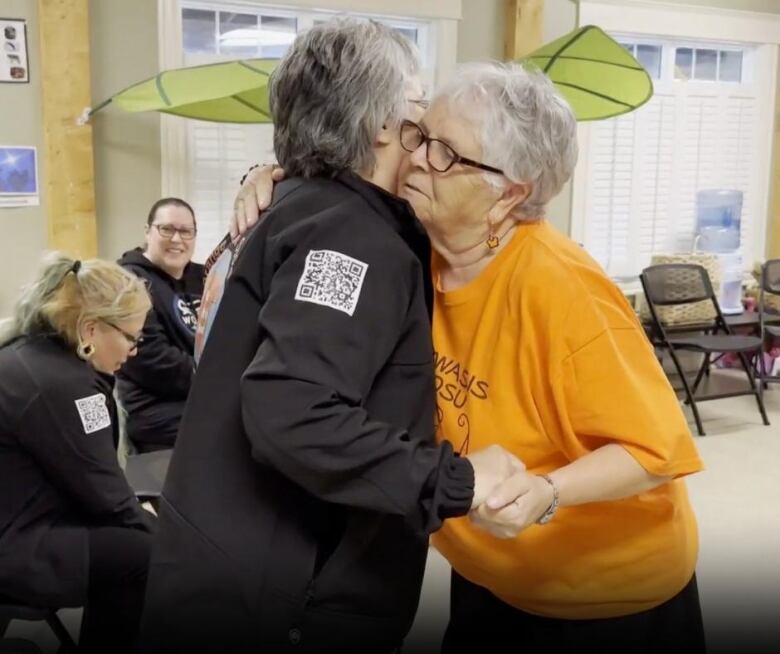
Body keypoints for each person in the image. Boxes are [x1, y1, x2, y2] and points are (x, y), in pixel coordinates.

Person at [234, 62, 706, 653]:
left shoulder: (564, 291)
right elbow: (336, 194)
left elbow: (654, 451)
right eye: (420, 134)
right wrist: (271, 178)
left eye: (446, 155)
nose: (415, 158)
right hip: (489, 573)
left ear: (509, 193)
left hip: (602, 603)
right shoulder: (417, 244)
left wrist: (550, 492)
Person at [138, 20, 519, 654]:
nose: (426, 138)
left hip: (225, 561)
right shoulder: (351, 239)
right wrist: (456, 482)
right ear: (378, 125)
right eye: (418, 111)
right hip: (280, 595)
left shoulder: (298, 207)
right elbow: (293, 410)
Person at [0, 253, 155, 653]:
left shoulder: (32, 356)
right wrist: (174, 538)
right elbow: (108, 498)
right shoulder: (66, 387)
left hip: (16, 519)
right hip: (14, 542)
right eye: (131, 338)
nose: (134, 351)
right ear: (89, 328)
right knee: (142, 553)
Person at [116, 198, 204, 452]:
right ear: (147, 231)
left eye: (186, 231)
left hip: (198, 394)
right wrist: (219, 380)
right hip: (154, 408)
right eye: (166, 229)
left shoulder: (207, 277)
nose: (177, 239)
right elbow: (154, 360)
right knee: (234, 424)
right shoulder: (128, 281)